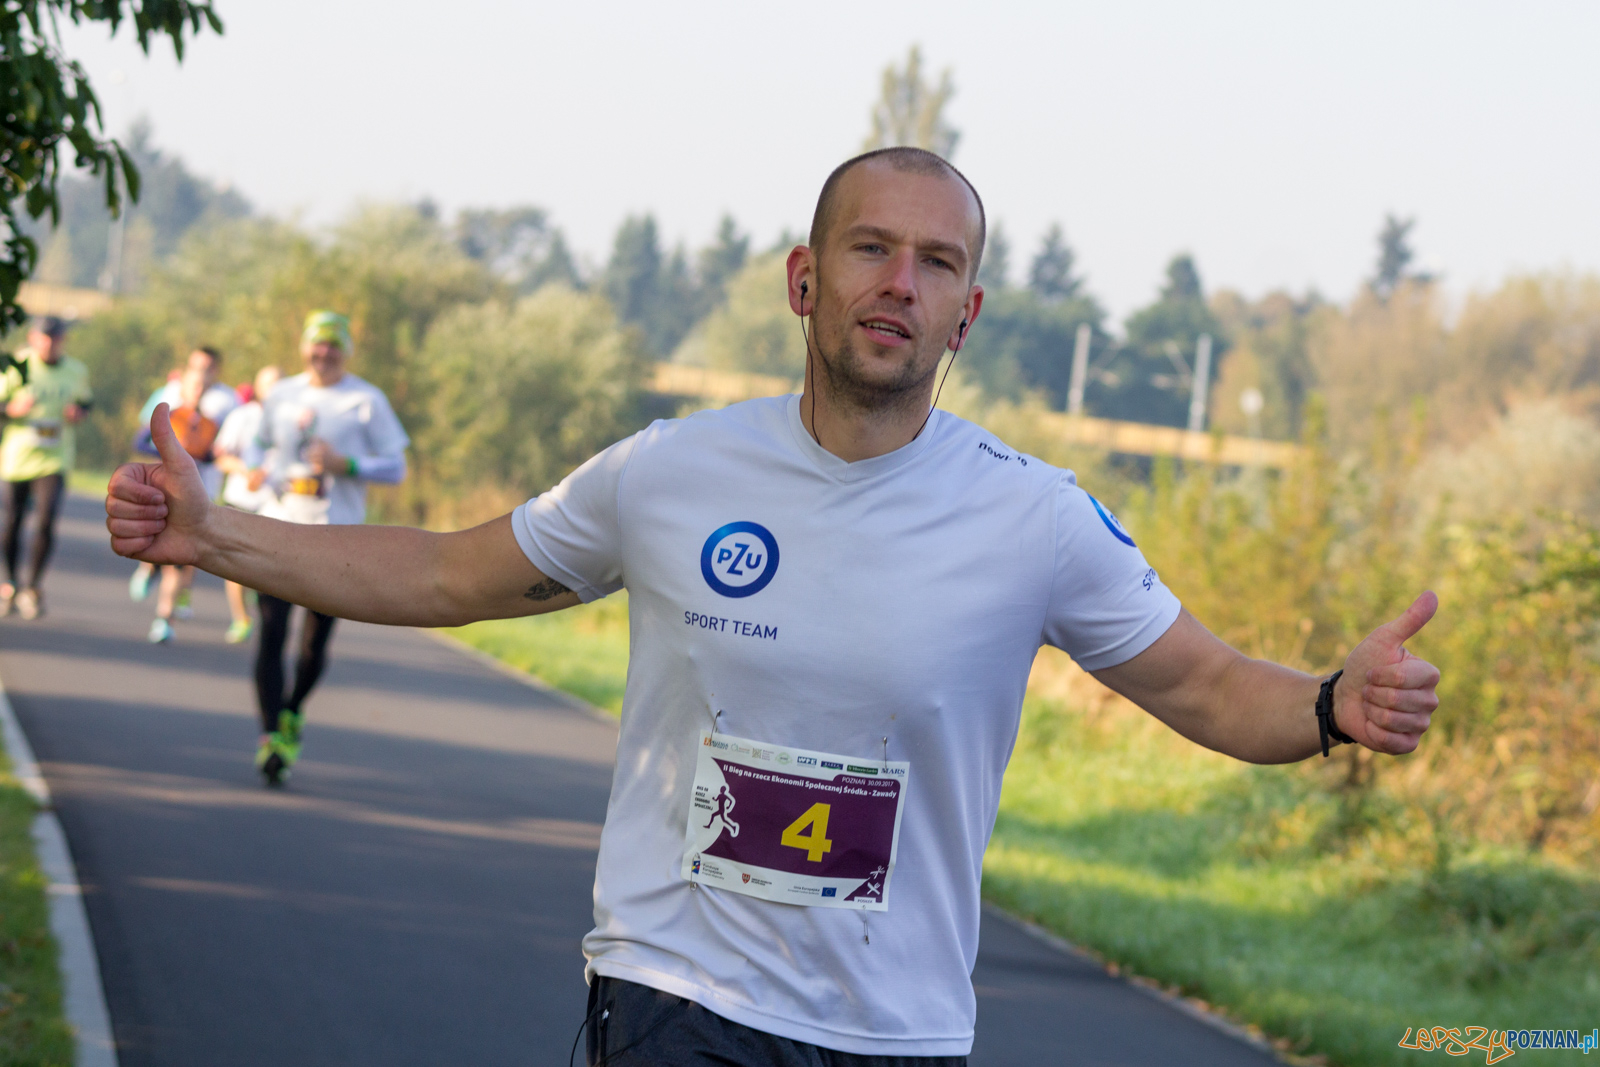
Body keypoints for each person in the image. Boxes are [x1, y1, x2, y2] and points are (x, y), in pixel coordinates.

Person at [105, 149, 1442, 1066]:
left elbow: (1208, 684)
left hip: (893, 1025)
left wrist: (1330, 702)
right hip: (673, 989)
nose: (897, 282)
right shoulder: (672, 472)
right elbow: (451, 572)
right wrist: (217, 530)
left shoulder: (1034, 517)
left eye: (933, 262)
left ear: (965, 314)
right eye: (870, 248)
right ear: (807, 279)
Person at [240, 312, 407, 783]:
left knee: (313, 644)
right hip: (279, 527)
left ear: (346, 350)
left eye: (334, 346)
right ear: (304, 347)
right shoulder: (283, 395)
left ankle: (292, 710)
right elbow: (257, 446)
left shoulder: (365, 401)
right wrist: (257, 470)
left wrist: (345, 463)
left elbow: (396, 469)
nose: (324, 353)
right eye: (317, 344)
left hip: (336, 538)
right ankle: (271, 736)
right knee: (270, 634)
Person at [129, 346, 238, 609]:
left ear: (216, 371)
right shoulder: (169, 395)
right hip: (165, 481)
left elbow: (228, 440)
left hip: (203, 484)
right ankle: (148, 567)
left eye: (207, 369)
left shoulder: (227, 401)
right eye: (196, 367)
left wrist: (211, 454)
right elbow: (144, 435)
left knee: (190, 541)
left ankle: (174, 604)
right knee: (159, 529)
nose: (201, 376)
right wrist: (169, 451)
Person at [1, 316, 92, 620]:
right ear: (32, 337)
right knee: (13, 521)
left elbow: (86, 404)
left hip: (55, 457)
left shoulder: (76, 371)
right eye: (45, 337)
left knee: (46, 521)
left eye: (56, 338)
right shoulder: (18, 365)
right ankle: (11, 581)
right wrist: (11, 409)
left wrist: (78, 412)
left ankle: (33, 587)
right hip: (18, 455)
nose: (50, 344)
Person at [146, 363, 223, 643]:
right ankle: (147, 568)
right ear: (183, 387)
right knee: (157, 549)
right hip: (160, 492)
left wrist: (212, 455)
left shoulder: (210, 423)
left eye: (203, 386)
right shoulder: (168, 415)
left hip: (190, 498)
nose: (197, 391)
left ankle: (164, 618)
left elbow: (213, 455)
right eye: (193, 385)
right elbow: (141, 441)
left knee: (178, 559)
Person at [213, 365, 281, 643]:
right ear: (259, 386)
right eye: (270, 383)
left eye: (281, 383)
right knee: (234, 566)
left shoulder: (293, 420)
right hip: (240, 499)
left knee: (266, 568)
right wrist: (246, 471)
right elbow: (220, 457)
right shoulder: (242, 416)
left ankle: (265, 615)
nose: (275, 389)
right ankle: (241, 617)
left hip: (274, 504)